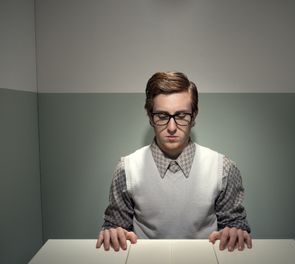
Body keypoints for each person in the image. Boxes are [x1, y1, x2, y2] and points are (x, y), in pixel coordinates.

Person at [96, 71, 252, 252]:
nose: (171, 127)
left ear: (193, 117)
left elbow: (235, 224)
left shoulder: (224, 169)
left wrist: (236, 231)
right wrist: (113, 232)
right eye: (162, 116)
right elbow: (115, 226)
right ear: (150, 117)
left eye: (181, 116)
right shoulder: (126, 169)